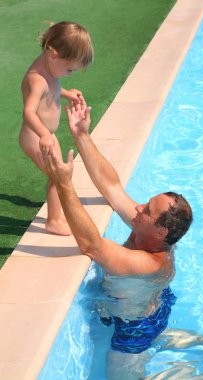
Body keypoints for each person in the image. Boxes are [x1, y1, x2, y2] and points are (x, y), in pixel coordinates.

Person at [41, 98, 193, 365]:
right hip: (152, 300)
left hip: (134, 329)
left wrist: (64, 184)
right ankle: (197, 343)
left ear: (160, 231)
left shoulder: (145, 262)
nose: (139, 207)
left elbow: (91, 245)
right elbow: (112, 188)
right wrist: (81, 135)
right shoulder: (149, 231)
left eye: (147, 210)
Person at [19, 21, 93, 236]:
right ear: (53, 54)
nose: (70, 73)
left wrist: (67, 92)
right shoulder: (37, 80)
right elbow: (29, 112)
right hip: (35, 137)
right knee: (59, 177)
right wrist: (43, 134)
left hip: (46, 135)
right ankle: (53, 221)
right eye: (69, 69)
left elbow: (53, 88)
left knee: (60, 174)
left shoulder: (51, 69)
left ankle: (57, 214)